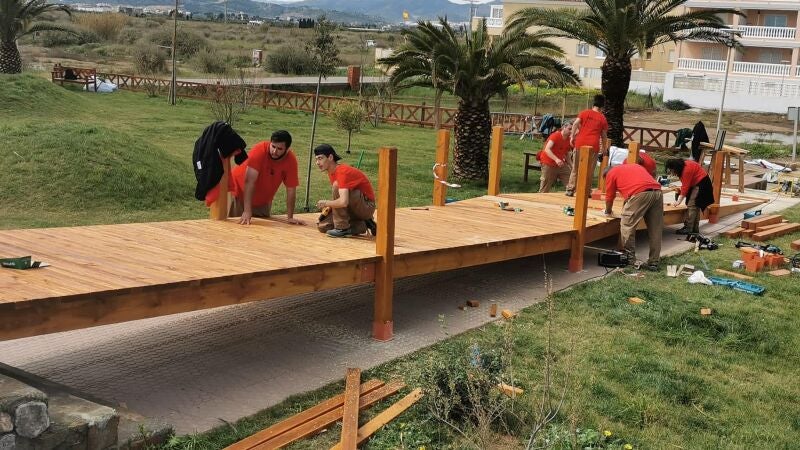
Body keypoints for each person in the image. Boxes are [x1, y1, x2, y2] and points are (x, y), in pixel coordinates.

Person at [229, 130, 305, 226]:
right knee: (234, 226)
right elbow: (249, 181)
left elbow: (291, 190)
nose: (274, 151)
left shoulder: (291, 161)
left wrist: (290, 217)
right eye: (273, 146)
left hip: (263, 200)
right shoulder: (260, 150)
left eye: (280, 149)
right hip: (239, 192)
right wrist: (247, 211)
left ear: (287, 149)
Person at [603, 164, 664, 271]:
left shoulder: (611, 174)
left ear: (606, 175)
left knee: (627, 226)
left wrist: (608, 211)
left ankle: (630, 259)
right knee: (655, 229)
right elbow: (634, 189)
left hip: (640, 194)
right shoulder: (634, 167)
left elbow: (609, 197)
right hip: (657, 192)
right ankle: (654, 262)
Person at [313, 144, 377, 238]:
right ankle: (364, 224)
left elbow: (343, 202)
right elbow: (340, 198)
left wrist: (326, 203)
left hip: (366, 207)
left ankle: (342, 228)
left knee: (336, 185)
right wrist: (330, 208)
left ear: (330, 157)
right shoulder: (331, 173)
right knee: (323, 226)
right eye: (316, 159)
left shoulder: (342, 171)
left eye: (320, 158)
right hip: (354, 206)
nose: (317, 163)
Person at [566, 94, 609, 196]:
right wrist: (604, 148)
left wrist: (572, 136)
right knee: (589, 170)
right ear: (602, 107)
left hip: (580, 143)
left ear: (593, 104)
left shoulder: (584, 113)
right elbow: (603, 136)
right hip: (593, 146)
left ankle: (570, 189)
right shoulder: (602, 118)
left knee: (575, 168)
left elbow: (575, 123)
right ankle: (586, 191)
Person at [664, 158, 714, 235]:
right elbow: (685, 185)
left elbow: (685, 187)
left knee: (692, 205)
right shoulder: (683, 167)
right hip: (698, 183)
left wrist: (678, 201)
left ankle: (688, 228)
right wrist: (680, 193)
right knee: (695, 206)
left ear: (676, 167)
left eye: (672, 170)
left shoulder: (686, 170)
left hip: (702, 184)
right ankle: (694, 229)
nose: (672, 172)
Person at [537, 120, 574, 193]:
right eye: (569, 129)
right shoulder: (555, 136)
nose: (571, 131)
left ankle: (571, 193)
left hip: (560, 164)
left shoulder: (569, 139)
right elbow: (547, 149)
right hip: (548, 163)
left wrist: (572, 166)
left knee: (571, 181)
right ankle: (541, 197)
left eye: (572, 129)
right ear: (564, 127)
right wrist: (556, 159)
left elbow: (566, 154)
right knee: (544, 188)